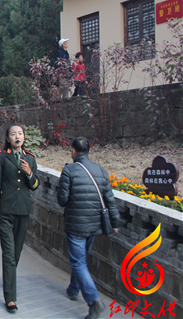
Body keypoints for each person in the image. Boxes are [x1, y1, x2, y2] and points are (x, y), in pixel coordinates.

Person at [57, 137, 121, 319]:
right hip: (94, 225)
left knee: (78, 262)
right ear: (89, 151)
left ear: (73, 151)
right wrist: (115, 223)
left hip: (76, 225)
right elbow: (110, 200)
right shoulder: (100, 170)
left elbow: (62, 200)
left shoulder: (69, 170)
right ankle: (73, 289)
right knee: (81, 260)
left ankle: (94, 301)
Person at [0, 123, 40, 313]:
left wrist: (29, 173)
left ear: (24, 137)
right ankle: (10, 298)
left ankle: (8, 277)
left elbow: (35, 186)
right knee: (9, 255)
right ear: (8, 138)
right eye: (13, 134)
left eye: (20, 133)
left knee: (17, 253)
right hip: (5, 212)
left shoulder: (31, 159)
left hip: (23, 211)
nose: (17, 136)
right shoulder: (1, 158)